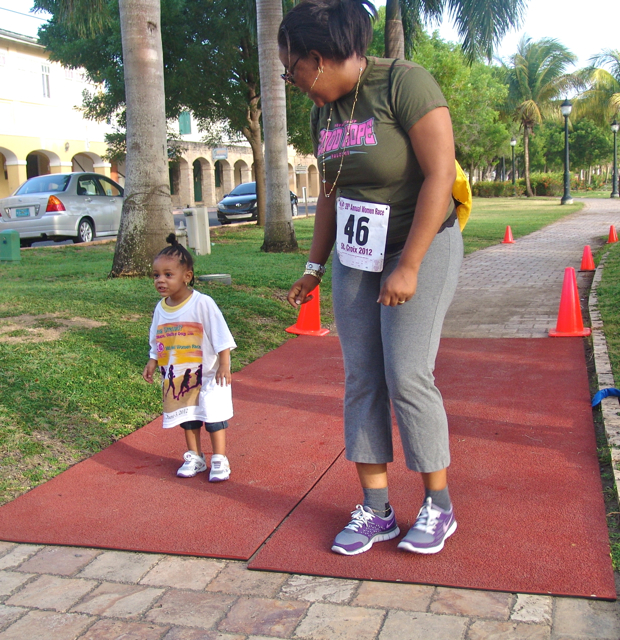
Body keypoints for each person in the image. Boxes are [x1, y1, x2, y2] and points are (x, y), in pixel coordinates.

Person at [280, 0, 463, 555]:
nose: (293, 83)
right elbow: (331, 194)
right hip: (358, 254)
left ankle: (439, 506)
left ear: (318, 58)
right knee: (363, 377)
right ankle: (377, 511)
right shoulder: (323, 112)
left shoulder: (404, 84)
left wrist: (408, 263)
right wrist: (313, 268)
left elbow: (440, 174)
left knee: (407, 373)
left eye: (293, 71)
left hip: (422, 242)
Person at [143, 234, 236, 482]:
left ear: (187, 276)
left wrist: (224, 365)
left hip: (209, 375)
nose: (160, 280)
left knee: (214, 419)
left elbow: (220, 335)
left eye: (168, 274)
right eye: (156, 275)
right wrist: (153, 360)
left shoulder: (202, 303)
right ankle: (195, 456)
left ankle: (219, 458)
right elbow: (157, 339)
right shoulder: (161, 308)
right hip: (180, 376)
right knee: (189, 420)